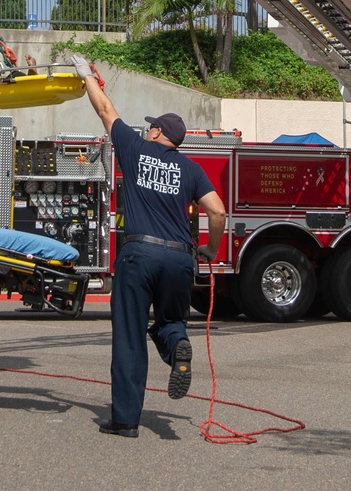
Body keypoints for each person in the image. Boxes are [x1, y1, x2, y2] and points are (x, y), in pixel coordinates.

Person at [69, 53, 226, 438]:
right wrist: (210, 250)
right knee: (171, 322)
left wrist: (86, 73)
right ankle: (177, 350)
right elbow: (218, 212)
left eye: (152, 127)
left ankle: (125, 421)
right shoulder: (191, 168)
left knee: (129, 335)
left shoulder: (136, 150)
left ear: (158, 134)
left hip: (139, 256)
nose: (148, 130)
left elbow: (106, 110)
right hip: (178, 258)